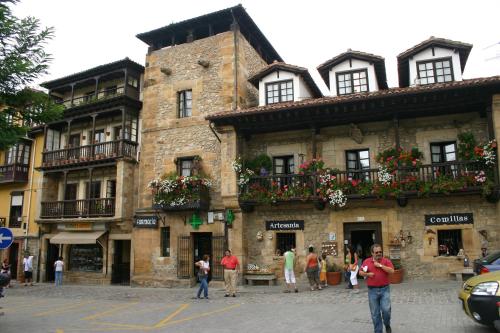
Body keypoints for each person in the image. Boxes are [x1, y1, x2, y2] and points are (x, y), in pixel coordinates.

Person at [359, 244, 394, 333]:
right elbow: (360, 272)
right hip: (372, 291)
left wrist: (380, 266)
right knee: (375, 313)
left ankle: (387, 324)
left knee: (386, 310)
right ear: (372, 253)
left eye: (380, 252)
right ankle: (378, 331)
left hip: (384, 289)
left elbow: (392, 271)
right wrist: (367, 274)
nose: (379, 253)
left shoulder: (386, 261)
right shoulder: (367, 261)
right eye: (376, 252)